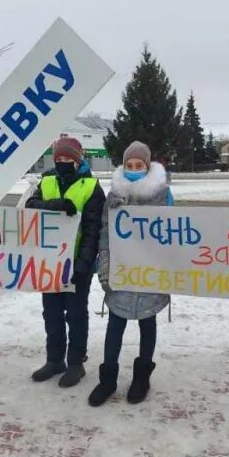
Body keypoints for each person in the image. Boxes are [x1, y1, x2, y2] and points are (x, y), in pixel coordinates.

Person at [89, 141, 173, 406]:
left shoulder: (163, 195)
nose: (134, 169)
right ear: (123, 167)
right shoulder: (113, 197)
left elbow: (174, 236)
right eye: (129, 165)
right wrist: (105, 271)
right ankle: (107, 380)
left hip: (151, 275)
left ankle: (142, 377)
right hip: (122, 275)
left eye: (139, 166)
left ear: (148, 168)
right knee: (115, 326)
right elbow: (105, 236)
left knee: (148, 325)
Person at [25, 137, 106, 387]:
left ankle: (75, 362)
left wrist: (83, 263)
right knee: (51, 313)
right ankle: (54, 359)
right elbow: (30, 206)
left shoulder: (91, 187)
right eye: (58, 158)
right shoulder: (46, 181)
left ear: (78, 160)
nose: (62, 162)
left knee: (76, 314)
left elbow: (93, 230)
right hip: (50, 264)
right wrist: (55, 205)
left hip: (77, 264)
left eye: (68, 159)